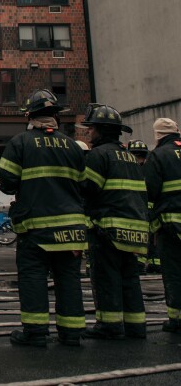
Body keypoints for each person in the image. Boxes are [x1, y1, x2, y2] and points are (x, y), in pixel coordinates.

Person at [0, 89, 87, 347]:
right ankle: (71, 333)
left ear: (30, 116)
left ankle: (35, 332)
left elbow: (7, 182)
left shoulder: (20, 142)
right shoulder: (72, 146)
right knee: (69, 279)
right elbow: (84, 184)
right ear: (55, 117)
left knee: (34, 277)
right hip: (71, 229)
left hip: (37, 228)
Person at [79, 105, 148, 340]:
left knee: (106, 278)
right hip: (134, 228)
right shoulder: (129, 156)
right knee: (130, 278)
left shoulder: (99, 156)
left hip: (107, 229)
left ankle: (109, 325)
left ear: (101, 130)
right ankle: (136, 325)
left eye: (92, 129)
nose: (89, 133)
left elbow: (88, 188)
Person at [144, 118, 181, 334]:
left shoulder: (158, 156)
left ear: (157, 136)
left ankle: (176, 319)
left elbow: (150, 191)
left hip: (172, 225)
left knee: (175, 271)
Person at [128, 139, 161, 273]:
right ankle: (149, 263)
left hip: (144, 210)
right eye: (136, 156)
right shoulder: (143, 168)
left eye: (140, 156)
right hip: (143, 209)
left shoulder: (142, 169)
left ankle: (147, 263)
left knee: (148, 237)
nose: (138, 159)